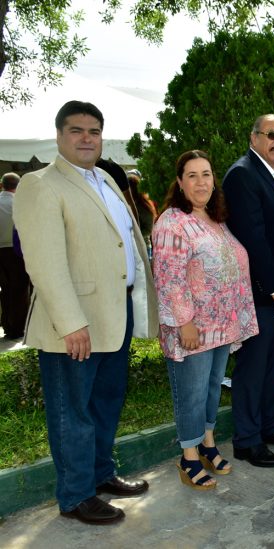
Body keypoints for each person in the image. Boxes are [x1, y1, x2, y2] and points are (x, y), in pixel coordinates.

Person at [13, 101, 158, 525]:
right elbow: (44, 263)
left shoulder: (106, 180)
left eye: (93, 131)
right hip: (76, 322)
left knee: (106, 402)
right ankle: (76, 495)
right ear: (59, 135)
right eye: (76, 130)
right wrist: (70, 322)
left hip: (116, 314)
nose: (86, 138)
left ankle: (99, 474)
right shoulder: (41, 185)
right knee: (71, 409)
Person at [152, 150, 259, 490]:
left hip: (220, 326)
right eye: (193, 175)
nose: (201, 182)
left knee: (212, 389)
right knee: (191, 393)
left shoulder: (215, 219)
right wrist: (184, 322)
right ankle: (188, 457)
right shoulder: (172, 222)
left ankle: (207, 443)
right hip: (193, 328)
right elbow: (169, 278)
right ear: (180, 182)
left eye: (207, 174)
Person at [222, 114, 274, 468]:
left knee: (273, 366)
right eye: (272, 135)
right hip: (262, 293)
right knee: (253, 368)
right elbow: (253, 237)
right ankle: (247, 440)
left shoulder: (271, 173)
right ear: (253, 136)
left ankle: (270, 427)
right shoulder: (243, 174)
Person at [0, 172, 30, 339]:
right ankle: (17, 327)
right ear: (18, 187)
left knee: (5, 290)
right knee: (19, 290)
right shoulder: (18, 203)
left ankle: (6, 324)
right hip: (15, 250)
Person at [128, 171, 158, 252]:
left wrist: (133, 235)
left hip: (143, 247)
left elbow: (148, 229)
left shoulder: (143, 206)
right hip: (130, 247)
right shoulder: (124, 203)